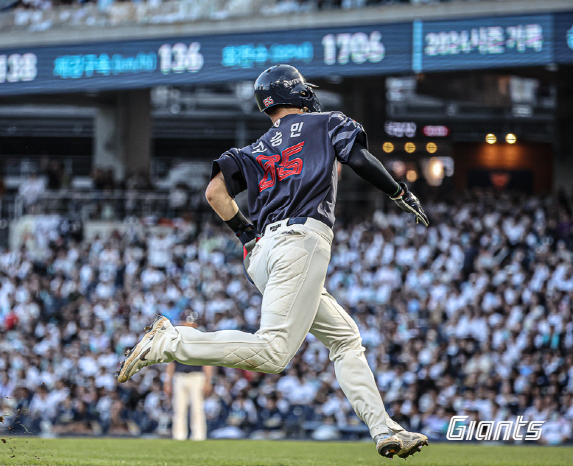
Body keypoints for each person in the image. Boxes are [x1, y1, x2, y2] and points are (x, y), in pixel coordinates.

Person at [117, 64, 430, 459]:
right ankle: (172, 341)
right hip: (301, 241)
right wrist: (400, 192)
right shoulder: (326, 122)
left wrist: (246, 234)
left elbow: (215, 192)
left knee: (346, 338)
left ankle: (385, 430)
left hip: (264, 251)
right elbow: (360, 159)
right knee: (273, 352)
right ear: (297, 92)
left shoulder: (252, 149)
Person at [164, 316, 213, 441]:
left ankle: (198, 436)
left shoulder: (201, 341)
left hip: (197, 376)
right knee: (179, 408)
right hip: (180, 376)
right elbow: (171, 363)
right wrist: (168, 381)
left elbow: (207, 362)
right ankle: (179, 436)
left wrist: (208, 381)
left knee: (197, 408)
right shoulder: (176, 341)